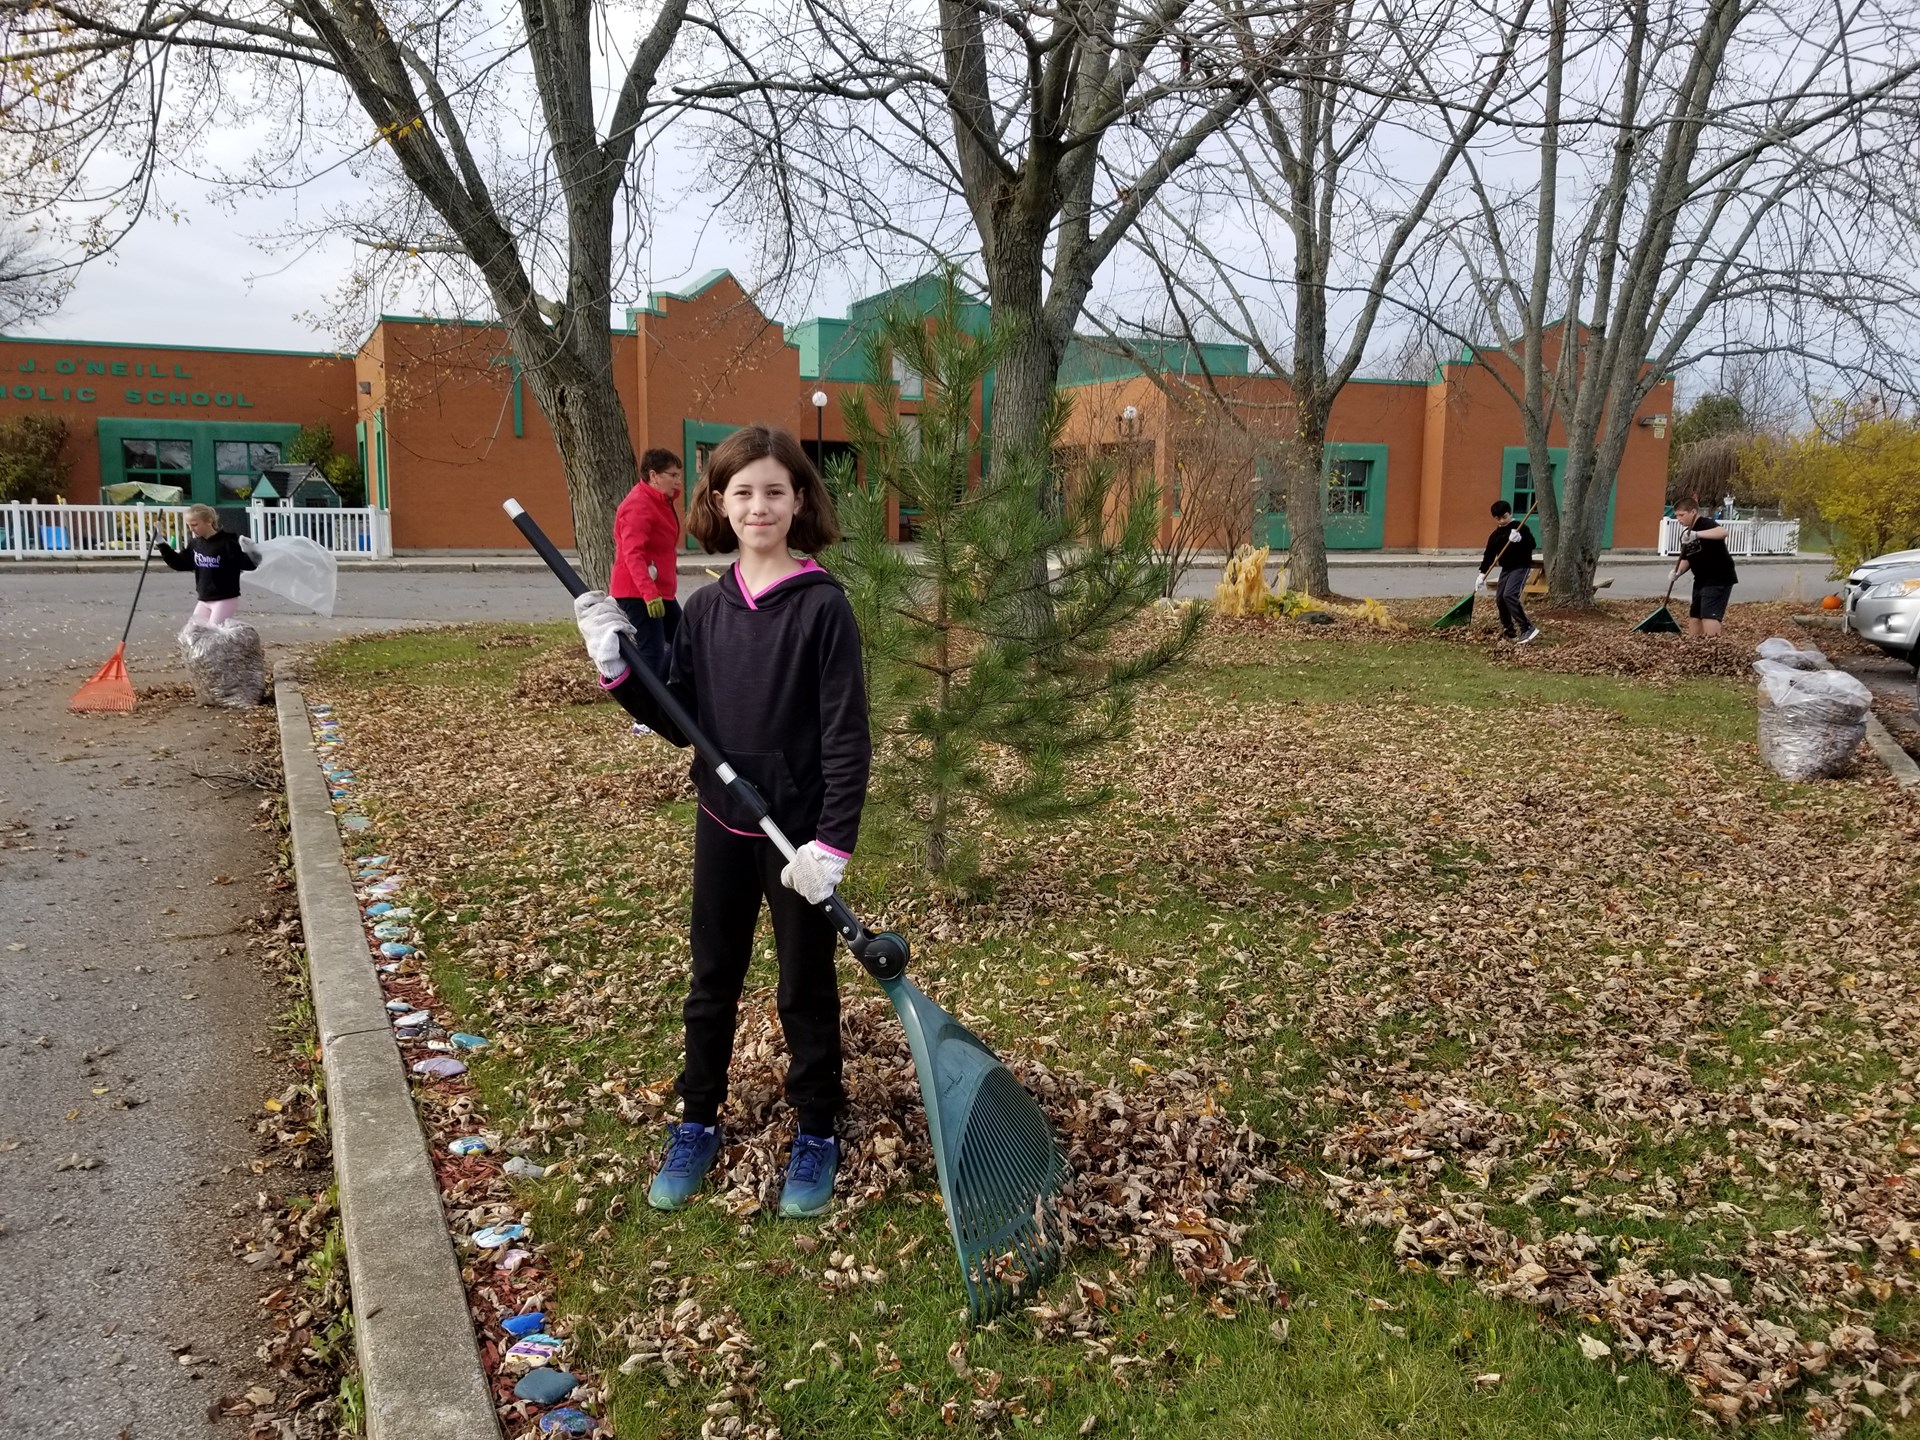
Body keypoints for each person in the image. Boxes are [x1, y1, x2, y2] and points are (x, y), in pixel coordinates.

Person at [571, 425, 869, 1219]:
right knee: (713, 982)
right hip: (723, 823)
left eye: (774, 490)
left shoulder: (822, 609)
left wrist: (831, 846)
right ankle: (697, 1117)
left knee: (805, 985)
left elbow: (846, 736)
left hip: (796, 839)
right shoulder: (706, 609)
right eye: (742, 492)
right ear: (719, 503)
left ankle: (816, 1127)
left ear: (799, 500)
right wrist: (618, 667)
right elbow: (682, 717)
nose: (759, 505)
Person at [610, 448, 686, 681]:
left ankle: (673, 698)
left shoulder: (659, 501)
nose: (678, 480)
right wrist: (649, 594)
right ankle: (647, 711)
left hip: (659, 591)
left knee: (685, 641)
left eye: (678, 475)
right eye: (672, 475)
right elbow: (632, 554)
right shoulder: (638, 505)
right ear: (654, 476)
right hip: (639, 592)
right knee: (652, 651)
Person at [158, 504, 257, 625]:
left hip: (224, 599)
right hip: (204, 598)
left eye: (195, 525)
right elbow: (180, 563)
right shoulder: (195, 544)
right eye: (189, 525)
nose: (191, 529)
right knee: (194, 632)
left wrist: (252, 551)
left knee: (212, 635)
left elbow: (248, 564)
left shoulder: (227, 543)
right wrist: (161, 543)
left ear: (209, 521)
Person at [1671, 497, 1738, 638]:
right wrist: (1677, 572)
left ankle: (1713, 647)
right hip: (1700, 579)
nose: (1678, 519)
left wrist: (1697, 535)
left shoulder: (1705, 524)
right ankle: (1694, 646)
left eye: (1681, 515)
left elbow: (1723, 533)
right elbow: (1686, 558)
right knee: (1695, 616)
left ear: (1693, 511)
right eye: (1676, 515)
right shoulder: (1685, 535)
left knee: (1709, 615)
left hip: (1718, 577)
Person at [1476, 499, 1539, 644]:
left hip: (1520, 566)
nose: (1502, 521)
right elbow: (1489, 556)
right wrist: (1482, 575)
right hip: (1506, 569)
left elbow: (1532, 544)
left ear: (1510, 513)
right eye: (1498, 518)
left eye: (1504, 517)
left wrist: (1520, 539)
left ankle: (1527, 628)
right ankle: (1509, 631)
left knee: (1509, 595)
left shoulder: (1520, 528)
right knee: (1500, 599)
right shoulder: (1495, 536)